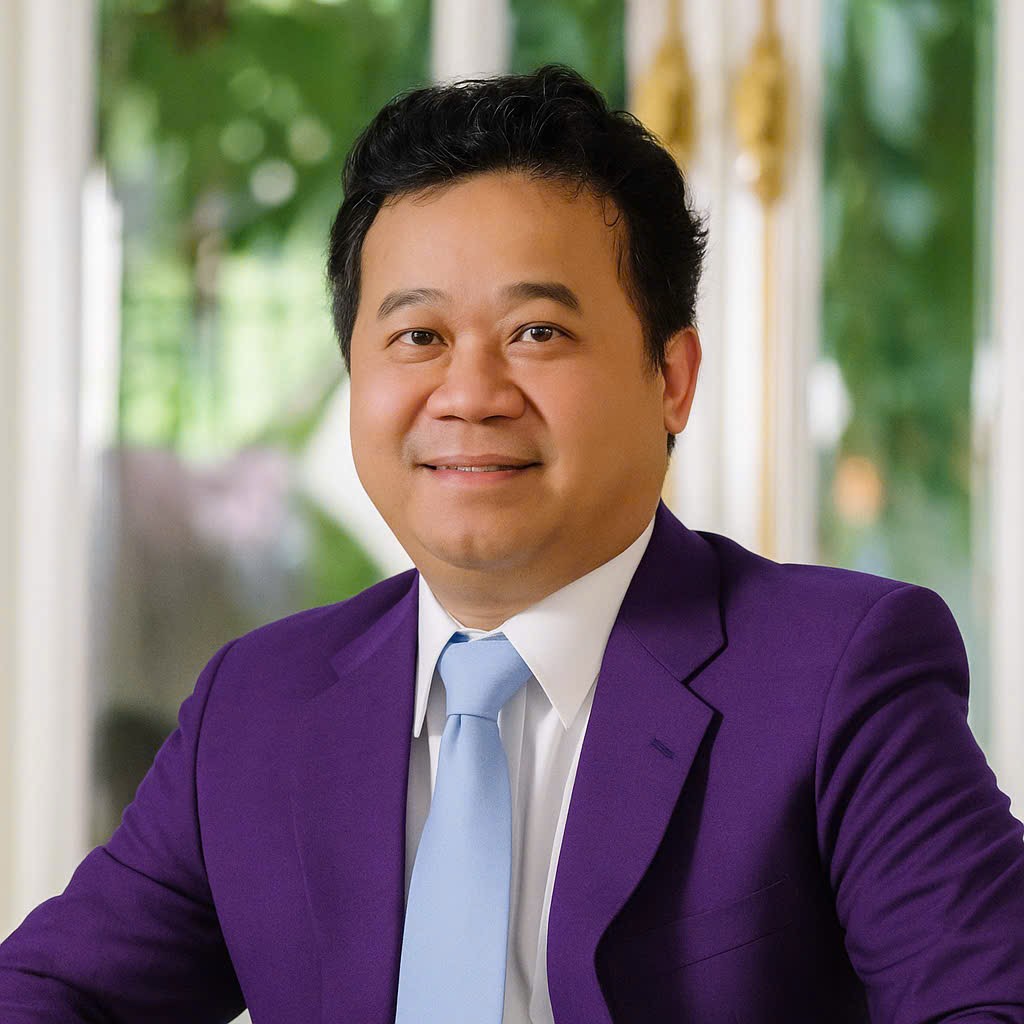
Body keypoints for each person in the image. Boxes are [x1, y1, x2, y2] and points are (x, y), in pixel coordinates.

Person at [2, 62, 1023, 1024]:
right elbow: (51, 994)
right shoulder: (257, 706)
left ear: (671, 378)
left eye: (537, 332)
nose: (470, 395)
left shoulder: (837, 678)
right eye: (418, 337)